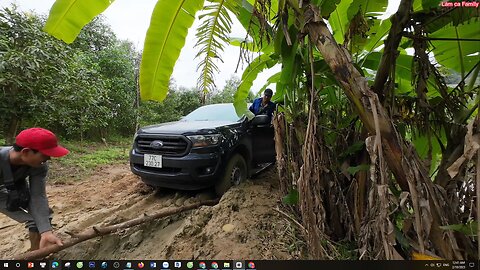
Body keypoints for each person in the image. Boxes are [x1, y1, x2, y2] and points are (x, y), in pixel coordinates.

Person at [0, 127, 68, 251]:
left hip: (14, 184)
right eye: (45, 155)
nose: (49, 159)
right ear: (26, 152)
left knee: (41, 220)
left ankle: (37, 254)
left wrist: (46, 232)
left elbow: (38, 196)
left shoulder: (39, 166)